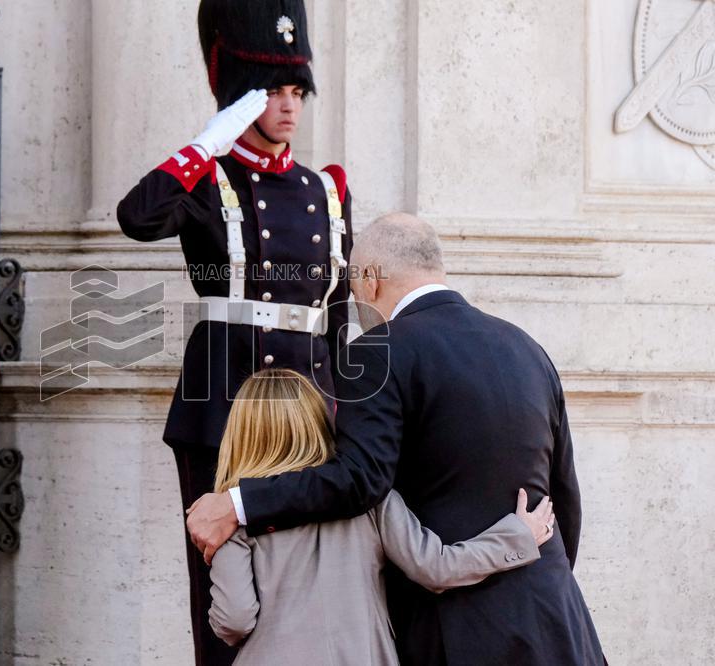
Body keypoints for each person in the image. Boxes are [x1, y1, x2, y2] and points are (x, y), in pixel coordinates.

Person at [188, 214, 607, 665]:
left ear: (369, 280)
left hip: (451, 632)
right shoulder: (526, 348)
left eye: (351, 289)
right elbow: (565, 496)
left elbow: (360, 480)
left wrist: (238, 503)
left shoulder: (376, 351)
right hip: (554, 616)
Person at [116, 1, 352, 663]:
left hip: (308, 414)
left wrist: (350, 416)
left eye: (295, 91)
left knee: (302, 593)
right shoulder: (206, 179)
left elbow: (337, 318)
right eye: (271, 91)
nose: (288, 107)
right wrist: (208, 141)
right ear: (240, 96)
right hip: (221, 406)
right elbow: (136, 216)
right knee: (224, 603)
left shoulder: (325, 190)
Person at [207, 368, 554, 665]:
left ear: (240, 435)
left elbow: (235, 618)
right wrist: (516, 536)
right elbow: (435, 566)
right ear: (318, 422)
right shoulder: (368, 499)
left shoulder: (230, 517)